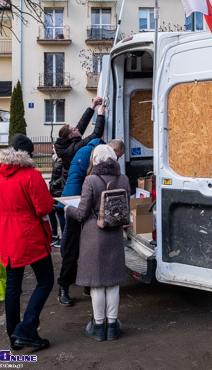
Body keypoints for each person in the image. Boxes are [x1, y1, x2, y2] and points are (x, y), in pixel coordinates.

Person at [0, 134, 55, 351]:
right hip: (31, 234)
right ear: (28, 153)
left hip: (9, 235)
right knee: (45, 280)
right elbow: (44, 208)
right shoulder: (32, 175)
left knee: (13, 287)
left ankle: (13, 335)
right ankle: (26, 328)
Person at [66, 144, 130, 342]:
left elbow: (82, 213)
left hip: (94, 236)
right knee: (112, 284)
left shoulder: (90, 180)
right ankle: (112, 326)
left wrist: (68, 208)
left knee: (97, 284)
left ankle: (98, 325)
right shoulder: (124, 178)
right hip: (115, 234)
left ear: (95, 159)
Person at [58, 139, 125, 306]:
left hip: (86, 211)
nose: (116, 159)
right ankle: (64, 287)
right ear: (112, 150)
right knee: (72, 250)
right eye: (117, 155)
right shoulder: (89, 156)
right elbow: (76, 181)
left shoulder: (100, 164)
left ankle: (88, 285)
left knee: (88, 254)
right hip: (78, 206)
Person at [55, 96, 106, 306]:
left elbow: (82, 128)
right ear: (70, 136)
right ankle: (64, 286)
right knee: (73, 247)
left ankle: (85, 282)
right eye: (74, 129)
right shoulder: (76, 150)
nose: (77, 128)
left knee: (80, 246)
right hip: (75, 202)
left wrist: (92, 107)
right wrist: (101, 116)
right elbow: (95, 134)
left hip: (77, 200)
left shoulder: (68, 143)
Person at [48, 147, 65, 248]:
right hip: (53, 191)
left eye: (54, 148)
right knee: (51, 212)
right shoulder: (56, 161)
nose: (53, 149)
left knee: (60, 213)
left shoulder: (63, 162)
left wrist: (54, 184)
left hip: (58, 191)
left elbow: (63, 177)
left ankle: (63, 237)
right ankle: (54, 235)